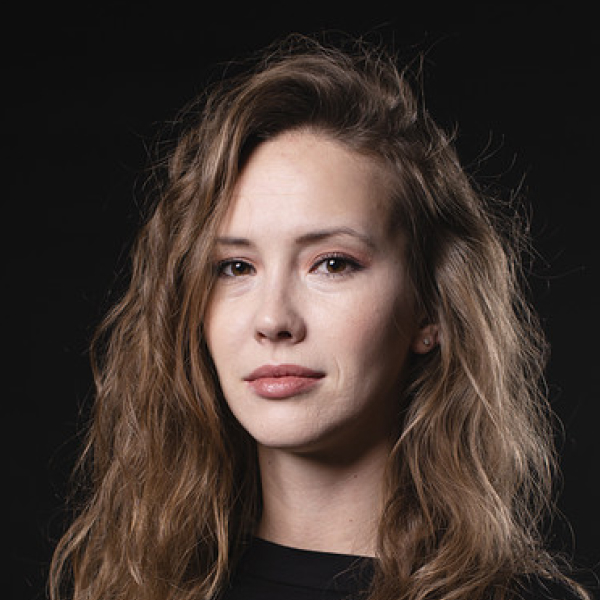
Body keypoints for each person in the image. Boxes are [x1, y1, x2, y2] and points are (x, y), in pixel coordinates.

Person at [49, 34, 590, 600]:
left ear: (430, 307)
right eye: (235, 267)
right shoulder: (135, 586)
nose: (273, 319)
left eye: (332, 263)